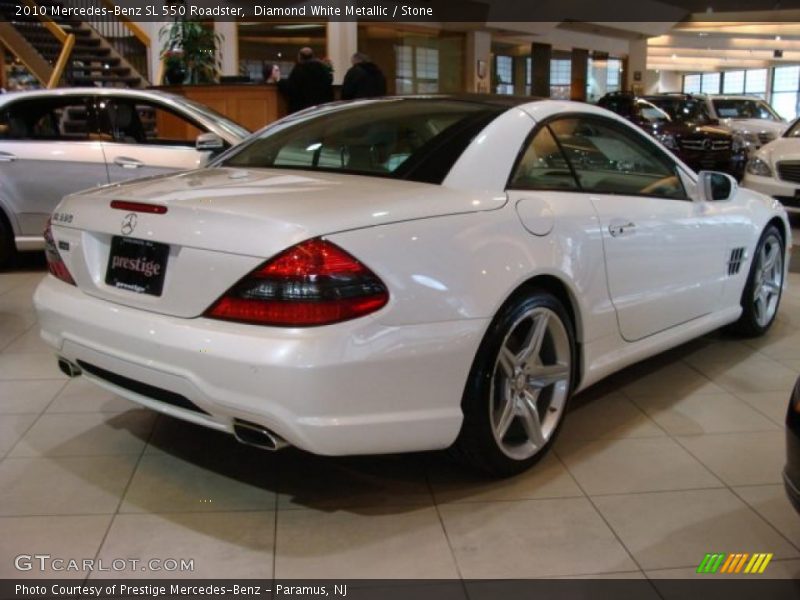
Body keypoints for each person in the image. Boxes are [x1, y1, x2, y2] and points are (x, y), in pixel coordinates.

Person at [278, 47, 333, 113]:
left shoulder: (299, 69)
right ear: (312, 56)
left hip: (302, 110)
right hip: (320, 109)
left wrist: (279, 81)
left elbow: (291, 88)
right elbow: (328, 84)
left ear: (300, 57)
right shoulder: (322, 68)